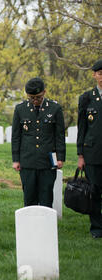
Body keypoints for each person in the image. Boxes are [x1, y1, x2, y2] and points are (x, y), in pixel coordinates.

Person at [12, 77, 66, 208]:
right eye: (32, 98)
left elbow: (59, 135)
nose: (35, 101)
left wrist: (60, 158)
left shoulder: (55, 108)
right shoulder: (20, 109)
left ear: (44, 92)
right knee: (29, 196)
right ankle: (30, 226)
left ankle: (46, 226)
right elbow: (16, 137)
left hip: (47, 161)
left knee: (46, 195)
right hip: (27, 160)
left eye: (38, 97)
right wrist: (16, 159)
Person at [77, 59, 102, 239]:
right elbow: (82, 127)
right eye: (100, 73)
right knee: (94, 192)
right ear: (94, 75)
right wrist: (80, 155)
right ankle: (97, 228)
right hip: (93, 153)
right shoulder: (87, 98)